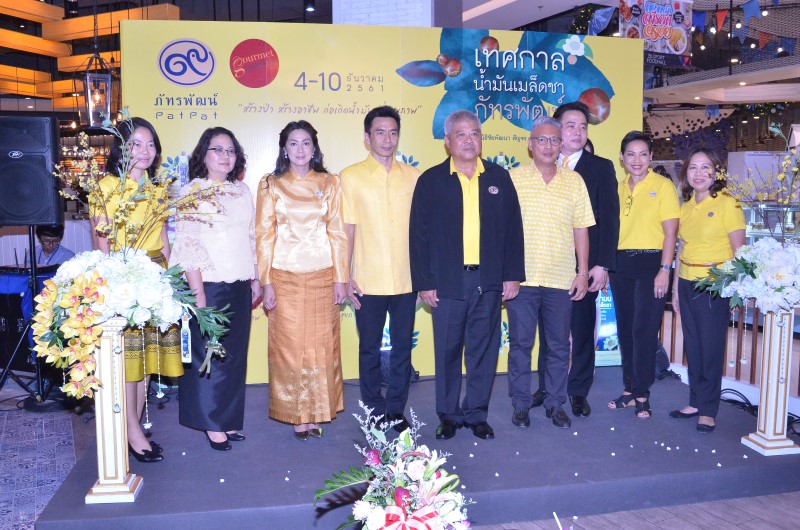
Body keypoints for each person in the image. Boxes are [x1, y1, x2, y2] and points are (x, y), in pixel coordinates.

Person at [409, 110, 525, 441]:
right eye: (461, 134)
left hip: (488, 280)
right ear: (447, 141)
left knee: (483, 351)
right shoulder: (431, 180)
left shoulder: (499, 178)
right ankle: (448, 415)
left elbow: (513, 230)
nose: (469, 140)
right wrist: (424, 283)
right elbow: (418, 235)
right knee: (447, 351)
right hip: (446, 281)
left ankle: (476, 414)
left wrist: (512, 275)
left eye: (475, 133)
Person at [89, 117, 180, 463]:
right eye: (136, 144)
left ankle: (134, 426)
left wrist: (171, 279)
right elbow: (102, 244)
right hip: (124, 278)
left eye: (150, 144)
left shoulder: (158, 188)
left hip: (155, 276)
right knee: (127, 362)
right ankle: (131, 432)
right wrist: (113, 286)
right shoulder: (106, 188)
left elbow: (163, 237)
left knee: (145, 360)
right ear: (121, 149)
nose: (144, 151)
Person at [256, 120, 348, 441]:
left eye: (306, 143)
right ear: (284, 149)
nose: (300, 149)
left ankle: (318, 410)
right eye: (293, 143)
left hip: (323, 275)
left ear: (314, 148)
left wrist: (341, 278)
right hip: (284, 277)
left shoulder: (331, 182)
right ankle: (297, 415)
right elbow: (264, 235)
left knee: (321, 348)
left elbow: (338, 233)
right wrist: (266, 281)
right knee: (290, 348)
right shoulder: (270, 185)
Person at [170, 127, 261, 451]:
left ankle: (227, 419)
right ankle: (211, 423)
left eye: (230, 150)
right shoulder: (192, 192)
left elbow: (251, 237)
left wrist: (255, 278)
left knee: (233, 359)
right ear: (203, 155)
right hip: (208, 286)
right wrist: (198, 295)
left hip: (238, 284)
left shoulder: (242, 191)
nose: (225, 156)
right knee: (209, 355)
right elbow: (188, 245)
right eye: (217, 150)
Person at [531, 102, 619, 418]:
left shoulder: (600, 168)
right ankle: (547, 386)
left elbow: (610, 220)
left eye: (583, 126)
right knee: (550, 334)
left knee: (581, 332)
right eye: (570, 125)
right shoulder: (540, 166)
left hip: (585, 267)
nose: (578, 132)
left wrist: (602, 264)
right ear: (556, 129)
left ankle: (578, 391)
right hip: (547, 266)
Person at [508, 116, 596, 430]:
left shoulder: (575, 181)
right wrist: (507, 273)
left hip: (561, 279)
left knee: (559, 346)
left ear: (561, 146)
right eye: (541, 140)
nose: (548, 146)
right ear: (530, 145)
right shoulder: (513, 178)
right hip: (522, 279)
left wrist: (582, 273)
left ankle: (555, 403)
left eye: (554, 140)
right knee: (520, 345)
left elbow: (581, 229)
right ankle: (520, 404)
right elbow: (502, 230)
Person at [341, 106, 420, 432]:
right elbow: (347, 230)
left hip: (406, 279)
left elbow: (422, 231)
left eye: (393, 132)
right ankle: (373, 409)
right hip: (366, 280)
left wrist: (425, 278)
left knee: (402, 349)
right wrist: (344, 276)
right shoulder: (350, 177)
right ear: (367, 137)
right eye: (380, 132)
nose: (387, 139)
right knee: (369, 348)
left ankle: (396, 410)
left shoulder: (414, 176)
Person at [671, 147, 745, 433]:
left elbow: (740, 252)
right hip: (686, 280)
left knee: (711, 348)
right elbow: (681, 248)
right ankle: (695, 401)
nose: (699, 173)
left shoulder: (728, 203)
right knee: (693, 346)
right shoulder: (685, 207)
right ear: (686, 173)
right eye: (693, 167)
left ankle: (708, 410)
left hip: (714, 285)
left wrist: (735, 288)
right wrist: (676, 289)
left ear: (716, 172)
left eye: (705, 167)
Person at [607, 131, 679, 419]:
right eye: (631, 154)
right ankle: (629, 388)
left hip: (652, 264)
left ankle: (642, 393)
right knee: (625, 329)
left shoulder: (662, 186)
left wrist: (664, 269)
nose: (636, 160)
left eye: (642, 154)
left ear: (651, 157)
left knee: (645, 330)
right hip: (620, 264)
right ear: (622, 158)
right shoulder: (617, 188)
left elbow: (671, 233)